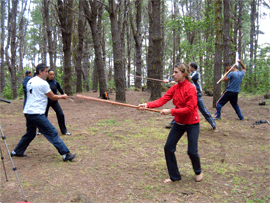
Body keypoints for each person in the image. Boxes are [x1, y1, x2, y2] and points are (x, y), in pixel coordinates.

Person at [139, 63, 203, 183]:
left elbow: (190, 109)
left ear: (184, 74)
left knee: (192, 151)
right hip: (179, 123)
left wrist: (171, 111)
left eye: (176, 72)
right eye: (173, 72)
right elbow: (162, 100)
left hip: (192, 123)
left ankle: (198, 171)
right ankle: (175, 176)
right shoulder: (174, 88)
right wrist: (147, 105)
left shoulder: (191, 88)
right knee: (168, 148)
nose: (173, 74)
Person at [11, 63, 76, 162]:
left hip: (28, 111)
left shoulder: (30, 81)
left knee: (30, 133)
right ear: (40, 71)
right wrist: (62, 96)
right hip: (36, 113)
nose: (47, 74)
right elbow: (53, 97)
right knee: (52, 132)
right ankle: (65, 154)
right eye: (46, 71)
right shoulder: (43, 83)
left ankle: (17, 151)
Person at [164, 62, 217, 132]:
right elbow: (180, 78)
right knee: (181, 109)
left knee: (204, 110)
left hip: (197, 95)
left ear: (192, 67)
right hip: (188, 94)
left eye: (189, 66)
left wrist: (172, 81)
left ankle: (214, 125)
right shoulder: (188, 74)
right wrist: (169, 80)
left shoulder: (196, 73)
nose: (187, 67)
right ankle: (173, 123)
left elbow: (187, 78)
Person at [44, 69, 71, 135]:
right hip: (46, 102)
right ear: (47, 74)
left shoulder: (56, 83)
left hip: (54, 101)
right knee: (44, 116)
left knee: (60, 114)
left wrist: (64, 95)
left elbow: (61, 92)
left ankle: (64, 131)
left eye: (53, 74)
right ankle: (41, 130)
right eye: (51, 74)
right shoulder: (44, 83)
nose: (52, 76)